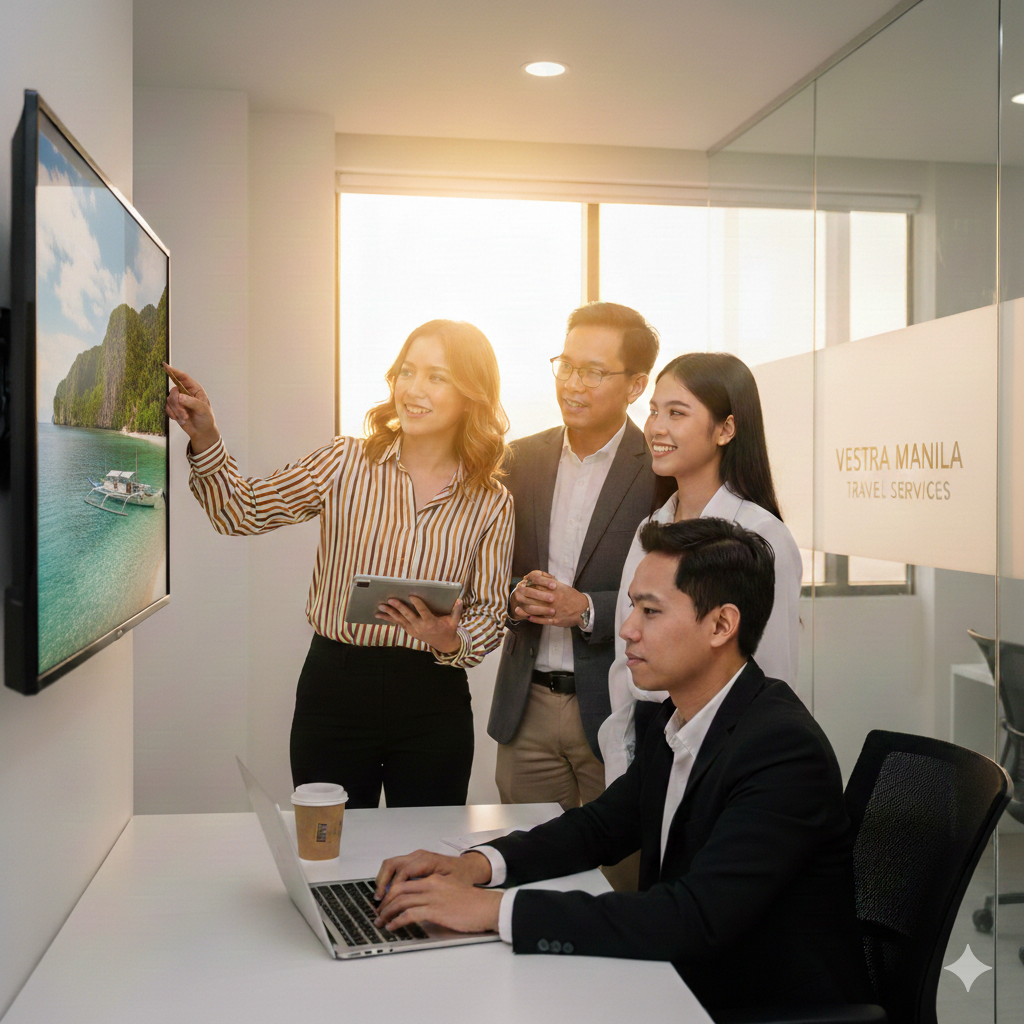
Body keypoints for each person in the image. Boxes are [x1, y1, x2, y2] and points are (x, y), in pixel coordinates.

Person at [371, 518, 868, 1020]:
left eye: (650, 611)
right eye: (632, 606)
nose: (627, 629)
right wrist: (476, 866)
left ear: (721, 625)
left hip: (750, 1003)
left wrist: (490, 911)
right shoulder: (674, 717)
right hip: (678, 980)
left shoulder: (781, 750)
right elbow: (600, 827)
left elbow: (694, 917)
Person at [163, 320, 514, 808]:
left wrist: (451, 639)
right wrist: (207, 436)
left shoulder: (491, 500)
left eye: (437, 376)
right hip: (335, 690)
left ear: (471, 394)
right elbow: (240, 512)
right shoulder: (343, 462)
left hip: (434, 698)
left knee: (427, 856)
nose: (413, 388)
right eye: (407, 371)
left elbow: (492, 613)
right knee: (330, 849)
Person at [487, 301, 672, 813]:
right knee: (523, 868)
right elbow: (486, 570)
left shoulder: (661, 473)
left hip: (617, 706)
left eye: (593, 372)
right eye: (566, 366)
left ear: (636, 385)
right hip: (526, 709)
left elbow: (679, 597)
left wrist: (588, 609)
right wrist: (512, 594)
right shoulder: (518, 460)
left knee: (615, 878)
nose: (572, 383)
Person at [598, 351, 802, 786]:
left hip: (726, 756)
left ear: (726, 428)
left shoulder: (762, 536)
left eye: (677, 413)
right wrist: (623, 763)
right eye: (654, 411)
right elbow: (624, 660)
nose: (656, 427)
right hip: (647, 747)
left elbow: (772, 675)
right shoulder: (650, 529)